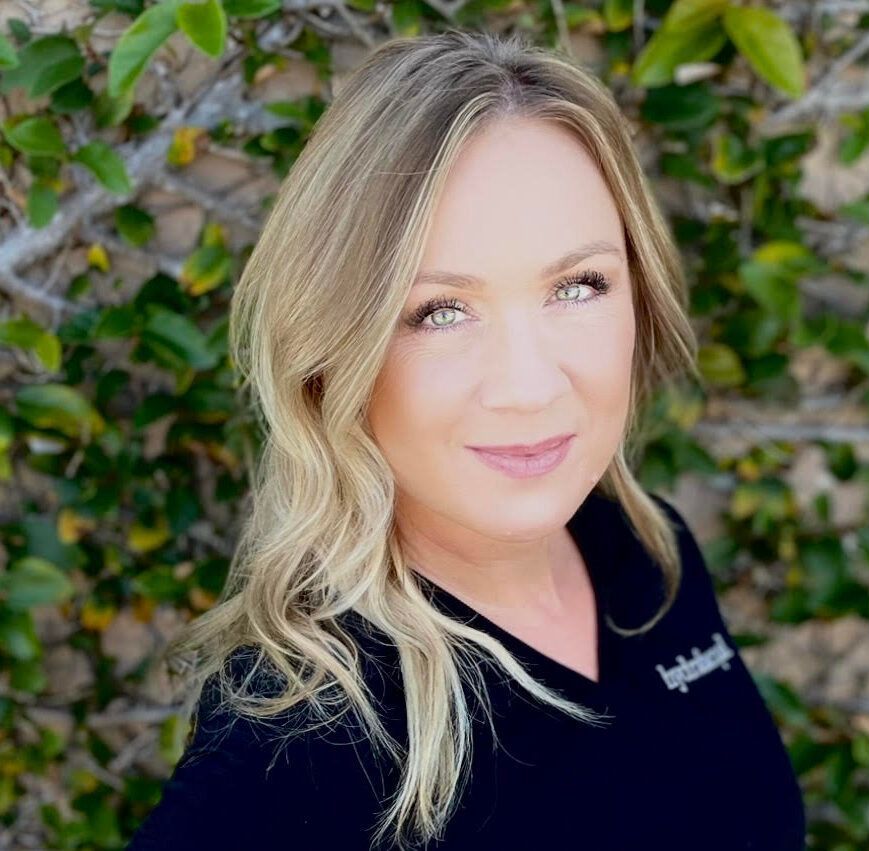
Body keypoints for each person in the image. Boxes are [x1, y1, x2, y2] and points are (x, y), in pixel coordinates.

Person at [125, 28, 807, 851]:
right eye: (439, 311)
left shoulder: (643, 551)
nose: (530, 386)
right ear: (336, 351)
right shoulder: (301, 736)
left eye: (578, 285)